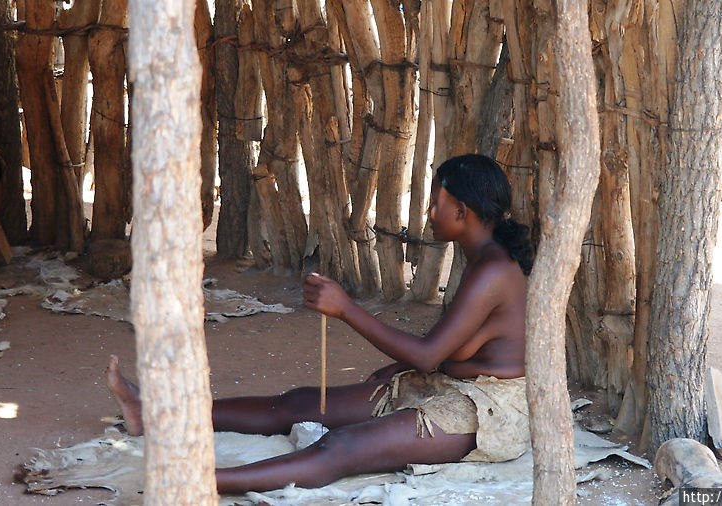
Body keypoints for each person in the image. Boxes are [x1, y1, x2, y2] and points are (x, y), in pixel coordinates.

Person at [106, 153, 535, 493]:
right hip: (449, 384)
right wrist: (413, 367)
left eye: (435, 201)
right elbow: (450, 349)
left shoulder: (492, 271)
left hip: (487, 411)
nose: (428, 211)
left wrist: (347, 309)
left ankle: (196, 484)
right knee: (299, 403)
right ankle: (155, 416)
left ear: (461, 211)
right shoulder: (482, 259)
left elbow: (427, 355)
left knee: (341, 446)